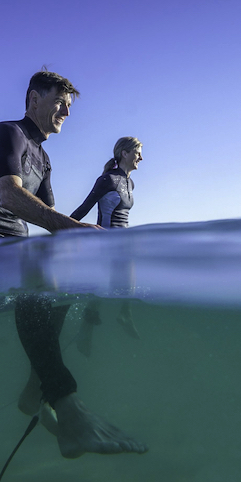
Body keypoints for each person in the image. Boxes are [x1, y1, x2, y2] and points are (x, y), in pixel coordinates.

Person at [0, 70, 147, 458]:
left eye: (69, 104)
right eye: (59, 101)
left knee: (69, 283)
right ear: (33, 99)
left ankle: (37, 388)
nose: (66, 110)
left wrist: (86, 240)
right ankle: (67, 404)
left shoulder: (44, 159)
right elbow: (10, 197)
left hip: (21, 253)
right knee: (37, 283)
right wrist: (75, 229)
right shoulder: (8, 134)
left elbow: (51, 219)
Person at [69, 137, 144, 355]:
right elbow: (83, 209)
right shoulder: (107, 179)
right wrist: (59, 231)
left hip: (124, 242)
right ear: (125, 153)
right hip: (106, 243)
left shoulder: (130, 183)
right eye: (138, 152)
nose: (141, 157)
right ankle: (113, 319)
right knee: (103, 291)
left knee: (108, 291)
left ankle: (114, 318)